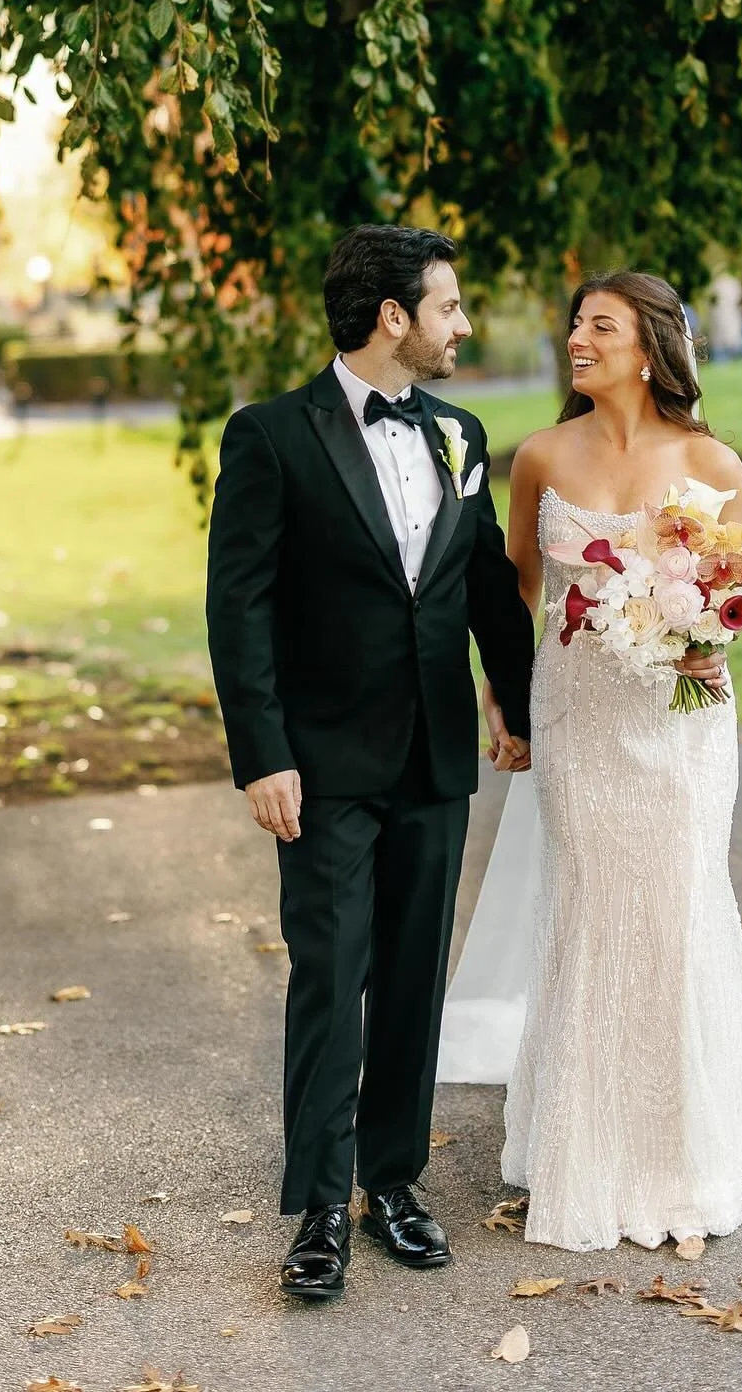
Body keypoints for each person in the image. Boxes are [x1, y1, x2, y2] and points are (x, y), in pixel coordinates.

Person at [205, 224, 537, 1302]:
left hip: (436, 755)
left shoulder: (461, 431)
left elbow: (484, 583)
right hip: (324, 763)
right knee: (330, 970)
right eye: (449, 306)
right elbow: (239, 607)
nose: (463, 325)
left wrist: (517, 702)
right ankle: (318, 1206)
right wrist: (263, 755)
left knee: (408, 980)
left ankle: (394, 1183)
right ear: (393, 317)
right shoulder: (270, 436)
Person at [473, 269, 742, 1252]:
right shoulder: (538, 458)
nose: (577, 337)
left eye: (598, 325)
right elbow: (518, 595)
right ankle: (588, 1147)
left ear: (649, 347)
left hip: (680, 727)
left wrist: (713, 641)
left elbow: (740, 591)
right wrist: (506, 704)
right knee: (592, 906)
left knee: (674, 904)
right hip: (578, 718)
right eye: (574, 323)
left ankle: (679, 1153)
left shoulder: (713, 461)